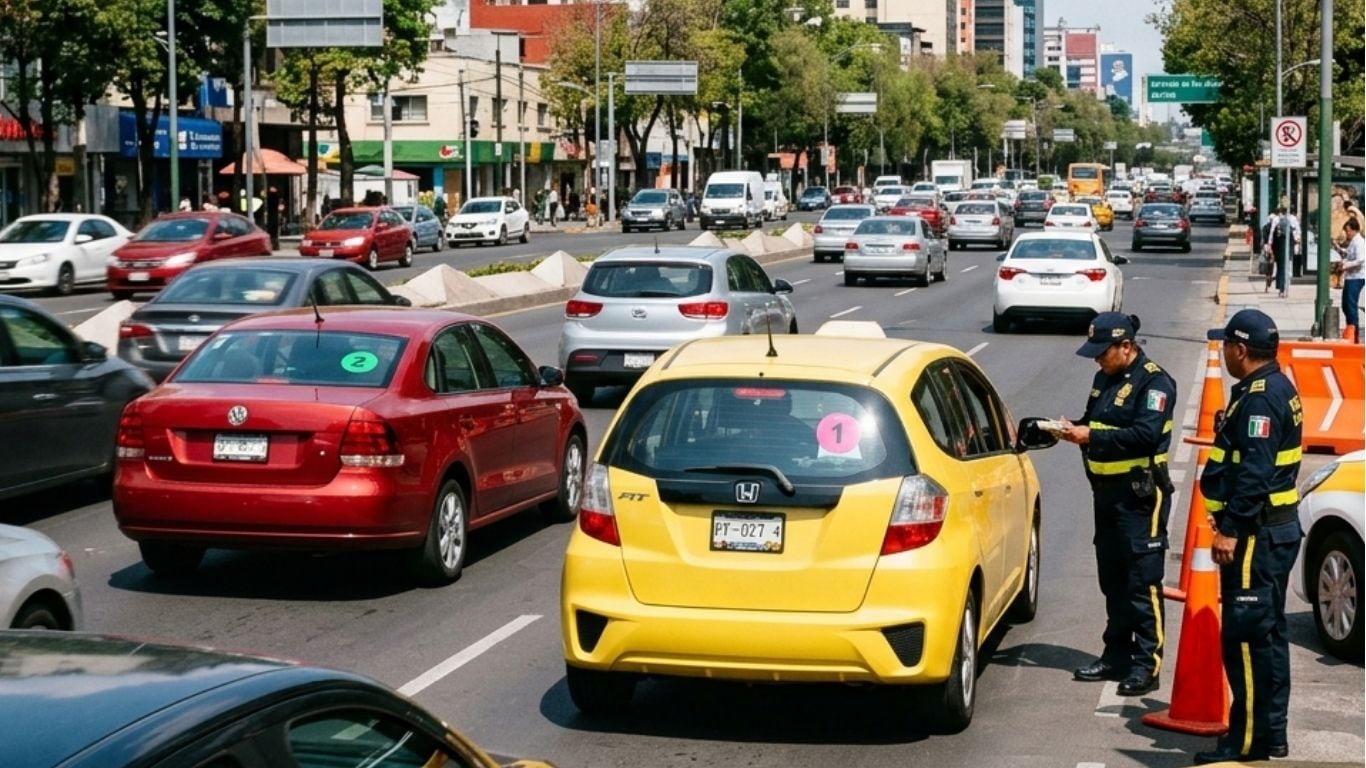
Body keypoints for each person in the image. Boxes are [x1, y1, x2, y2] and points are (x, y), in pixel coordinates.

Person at [1194, 309, 1303, 765]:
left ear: (1240, 350)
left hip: (1255, 535)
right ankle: (1270, 733)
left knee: (1246, 640)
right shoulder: (1277, 387)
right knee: (1269, 636)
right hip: (1270, 531)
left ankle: (1248, 742)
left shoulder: (1260, 399)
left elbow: (1255, 474)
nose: (1222, 351)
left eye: (1225, 345)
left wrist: (1232, 531)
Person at [1058, 313, 1177, 698]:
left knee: (1142, 581)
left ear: (1126, 346)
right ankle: (1116, 655)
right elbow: (1094, 422)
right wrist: (1068, 429)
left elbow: (1145, 435)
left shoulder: (1155, 382)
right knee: (1113, 580)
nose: (1097, 360)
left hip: (1140, 495)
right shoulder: (1103, 378)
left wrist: (1090, 434)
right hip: (1106, 494)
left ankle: (1147, 664)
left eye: (1102, 352)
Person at [1336, 217, 1364, 337]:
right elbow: (1349, 254)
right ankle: (1350, 327)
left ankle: (1354, 332)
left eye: (1348, 231)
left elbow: (1360, 259)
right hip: (1351, 277)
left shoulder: (1359, 242)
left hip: (1357, 277)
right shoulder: (1353, 242)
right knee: (1346, 304)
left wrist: (1346, 266)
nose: (1347, 234)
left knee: (1350, 304)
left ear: (1354, 230)